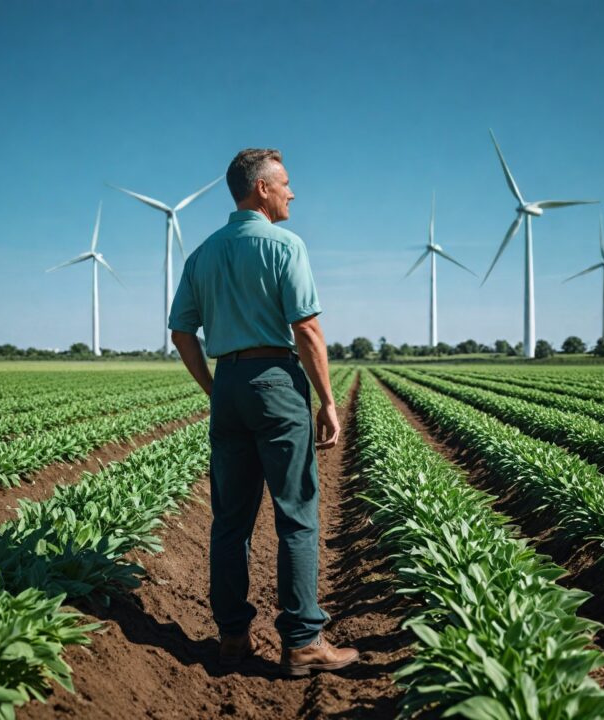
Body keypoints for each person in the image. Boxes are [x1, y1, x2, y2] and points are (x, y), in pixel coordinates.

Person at [169, 148, 359, 677]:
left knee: (231, 520)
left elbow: (181, 331)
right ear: (262, 191)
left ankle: (232, 638)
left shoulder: (203, 253)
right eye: (286, 184)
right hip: (276, 381)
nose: (292, 193)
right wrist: (326, 400)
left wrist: (213, 386)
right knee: (296, 514)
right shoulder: (285, 245)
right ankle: (302, 641)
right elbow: (306, 329)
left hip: (228, 382)